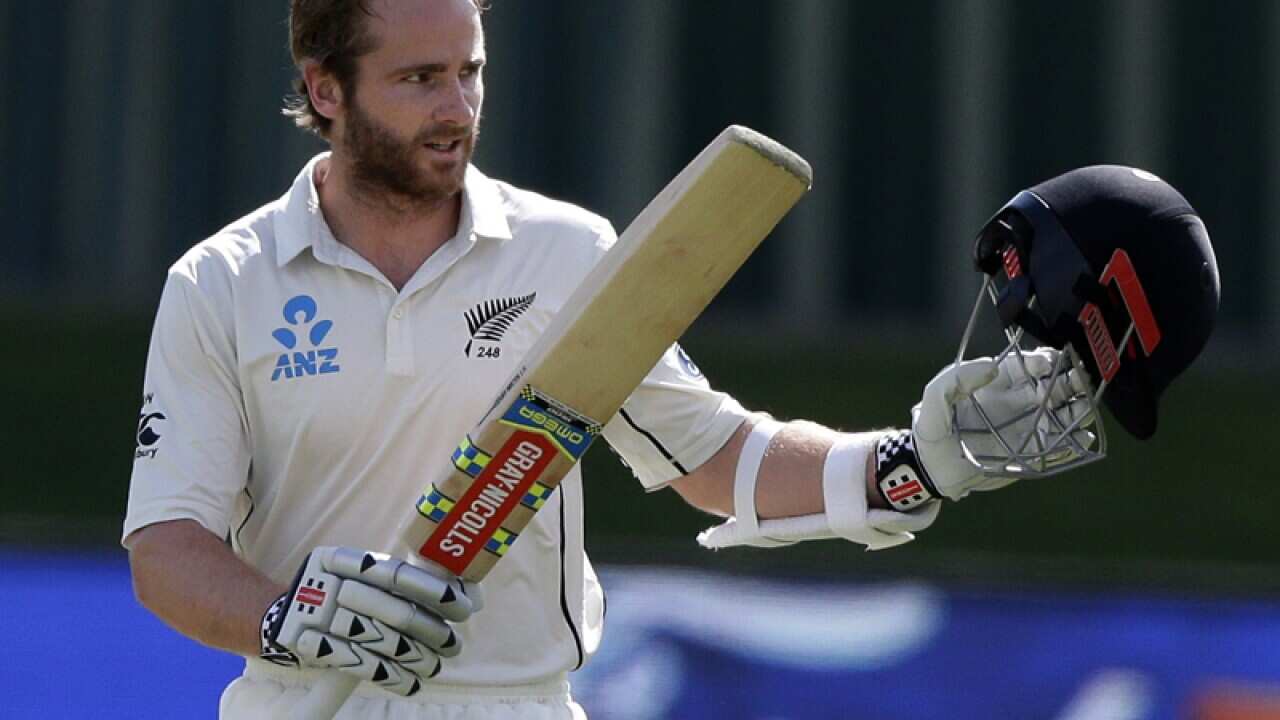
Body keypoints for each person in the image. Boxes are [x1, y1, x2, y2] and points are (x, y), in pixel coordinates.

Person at [123, 1, 1217, 719]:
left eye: (470, 70)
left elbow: (714, 457)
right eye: (417, 80)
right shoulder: (222, 285)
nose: (457, 109)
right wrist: (285, 615)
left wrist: (908, 467)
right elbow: (168, 547)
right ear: (324, 90)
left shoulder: (565, 255)